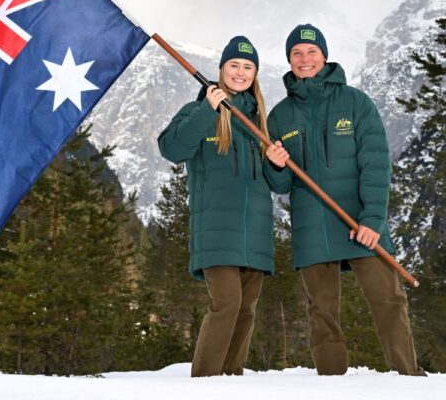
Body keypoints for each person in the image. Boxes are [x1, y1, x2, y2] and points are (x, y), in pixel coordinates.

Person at [262, 24, 425, 376]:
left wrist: (373, 221)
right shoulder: (279, 116)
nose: (305, 60)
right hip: (312, 227)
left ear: (324, 55)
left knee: (389, 302)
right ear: (289, 60)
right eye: (297, 54)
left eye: (311, 52)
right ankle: (332, 385)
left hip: (359, 222)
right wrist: (275, 165)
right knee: (322, 312)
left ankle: (409, 379)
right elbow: (281, 184)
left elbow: (376, 165)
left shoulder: (355, 103)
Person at [157, 35, 274, 377]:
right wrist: (208, 109)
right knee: (227, 304)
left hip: (255, 231)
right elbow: (172, 148)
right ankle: (205, 382)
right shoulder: (199, 111)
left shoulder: (261, 122)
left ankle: (230, 380)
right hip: (216, 231)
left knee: (247, 310)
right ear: (221, 70)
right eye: (233, 65)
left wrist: (278, 163)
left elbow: (278, 183)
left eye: (247, 67)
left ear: (255, 74)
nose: (240, 72)